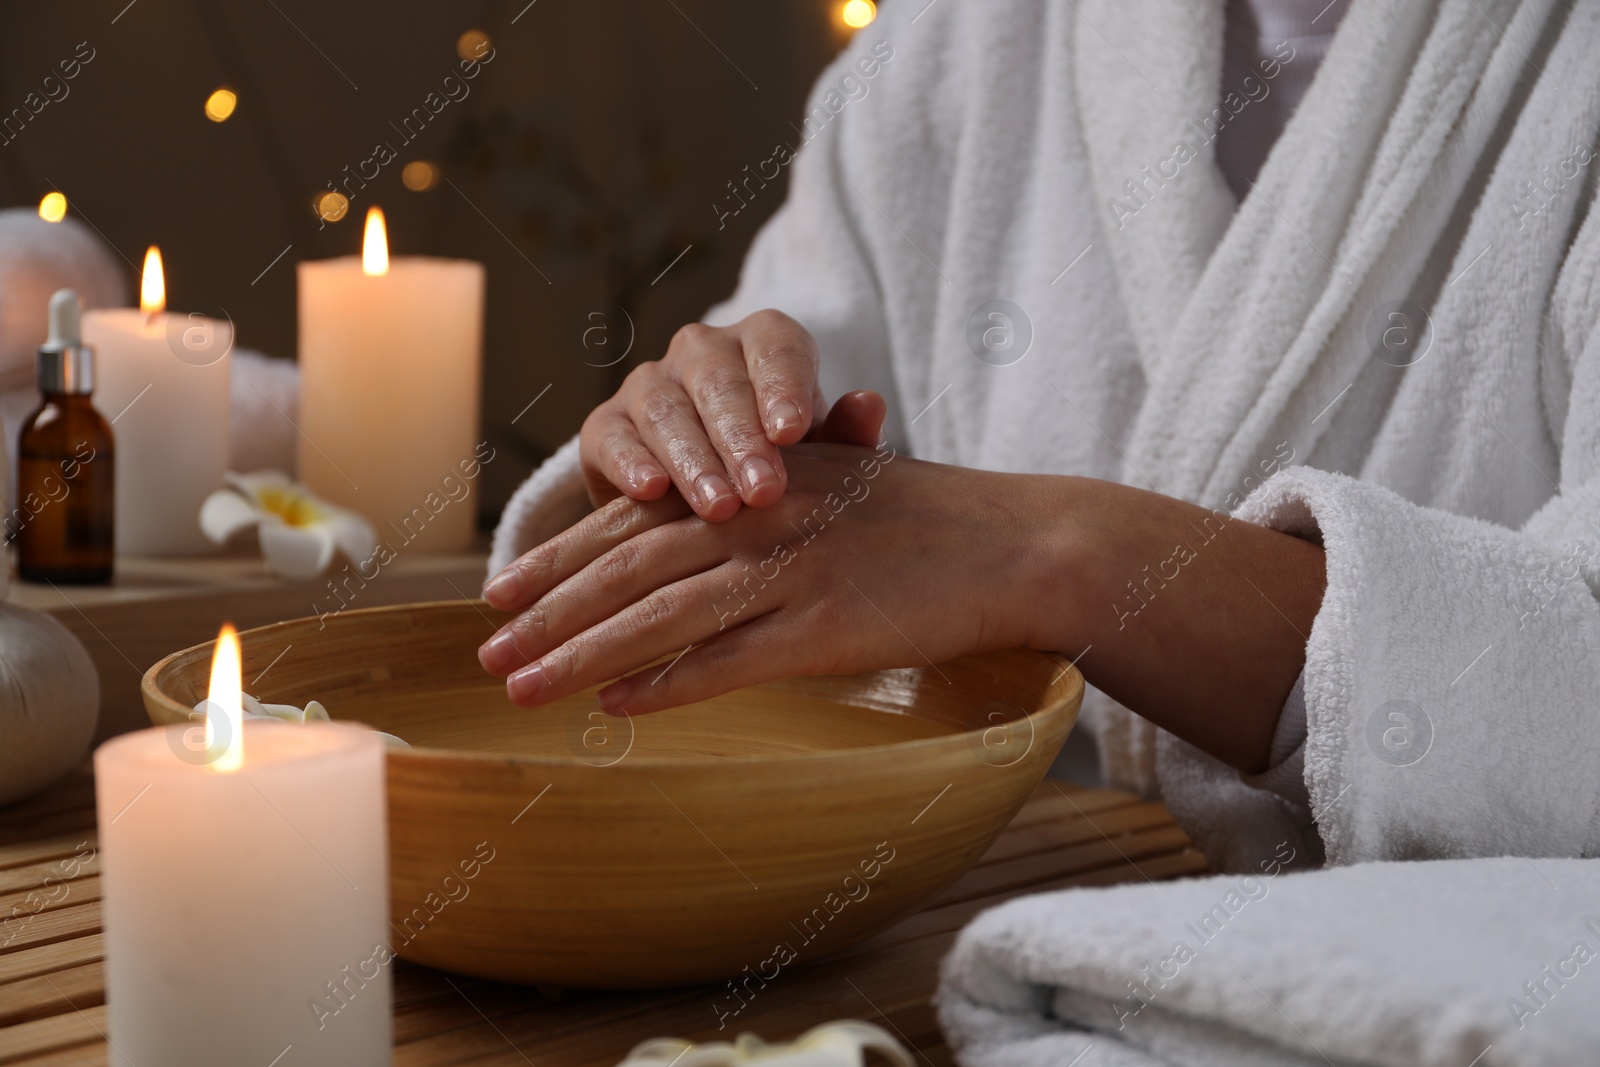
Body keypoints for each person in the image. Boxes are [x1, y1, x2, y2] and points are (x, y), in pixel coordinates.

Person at [478, 0, 1600, 872]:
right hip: (982, 935)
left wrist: (1061, 553)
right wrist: (691, 461)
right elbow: (804, 496)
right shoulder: (956, 39)